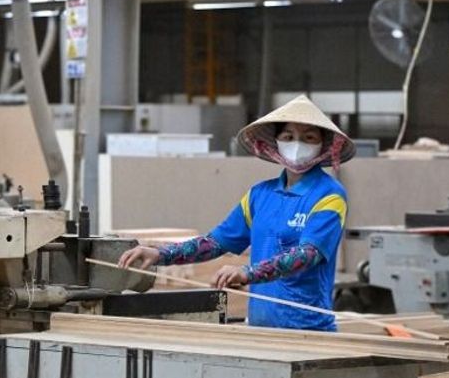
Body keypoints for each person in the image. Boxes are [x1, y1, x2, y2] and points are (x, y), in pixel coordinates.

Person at [118, 95, 354, 331]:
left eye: (309, 138)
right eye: (288, 137)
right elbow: (215, 243)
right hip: (259, 329)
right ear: (276, 142)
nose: (297, 144)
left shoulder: (329, 195)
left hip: (307, 331)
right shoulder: (259, 195)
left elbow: (307, 255)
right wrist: (159, 254)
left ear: (323, 145)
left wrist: (247, 273)